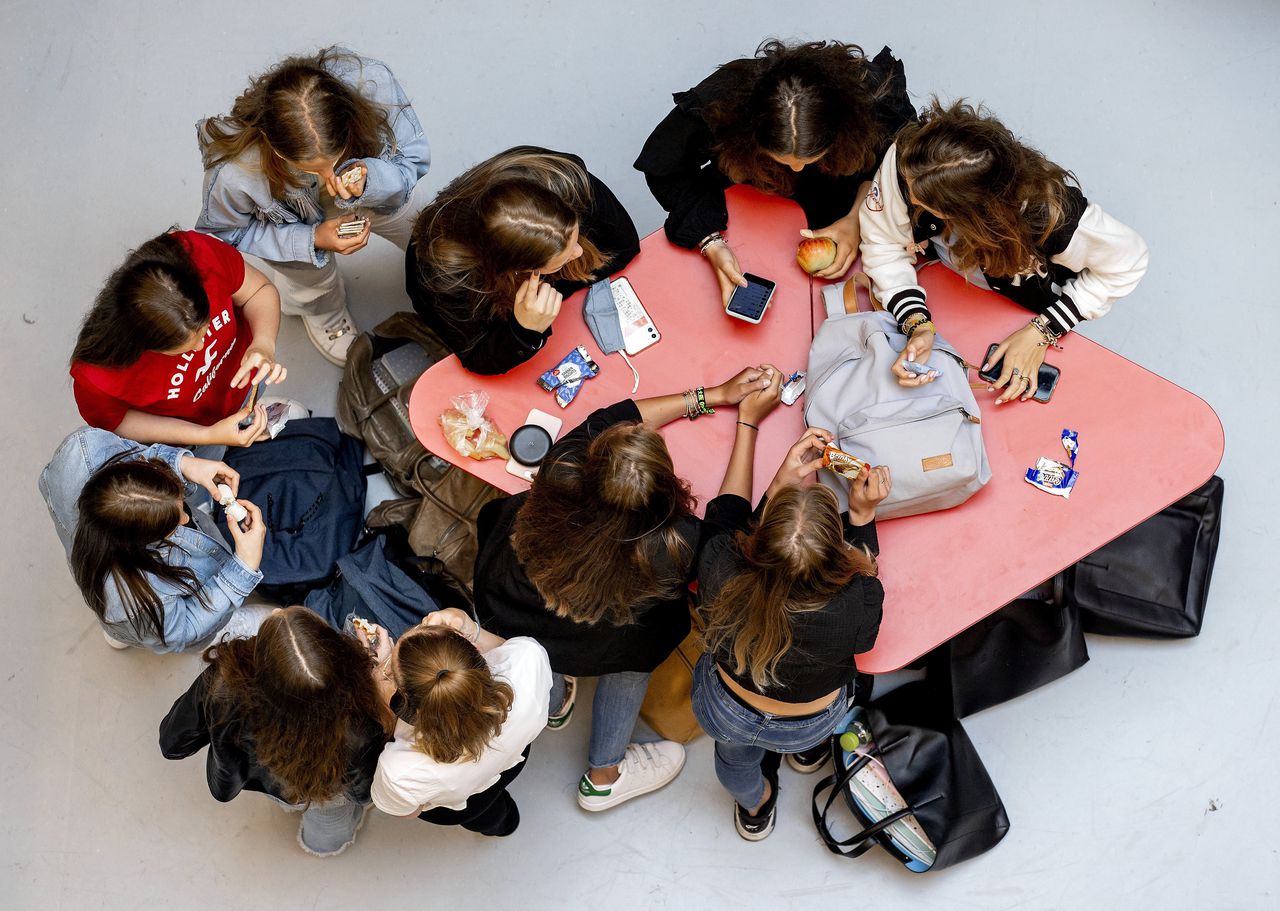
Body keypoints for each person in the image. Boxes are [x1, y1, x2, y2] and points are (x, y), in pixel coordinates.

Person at [474, 367, 774, 811]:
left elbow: (617, 415)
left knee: (536, 656)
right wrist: (746, 421)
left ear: (591, 463)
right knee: (629, 666)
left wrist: (712, 394)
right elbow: (728, 521)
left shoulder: (562, 468)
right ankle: (604, 776)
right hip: (610, 642)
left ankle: (551, 704)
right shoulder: (677, 543)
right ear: (668, 496)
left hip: (512, 605)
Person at [859, 99, 1150, 403]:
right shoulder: (912, 161)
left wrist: (1042, 332)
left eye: (924, 203)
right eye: (909, 188)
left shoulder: (1051, 217)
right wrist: (917, 322)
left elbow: (1130, 260)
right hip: (948, 287)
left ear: (975, 216)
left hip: (1019, 301)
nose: (911, 201)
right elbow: (883, 242)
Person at [693, 411, 890, 841]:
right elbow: (868, 609)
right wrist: (861, 517)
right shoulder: (856, 601)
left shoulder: (719, 570)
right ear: (839, 558)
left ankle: (755, 807)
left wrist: (782, 479)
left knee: (733, 762)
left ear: (757, 544)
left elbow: (729, 527)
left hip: (727, 707)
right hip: (808, 720)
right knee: (817, 724)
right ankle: (804, 755)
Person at [197, 47, 432, 365]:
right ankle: (324, 314)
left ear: (349, 121)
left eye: (336, 160)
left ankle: (444, 273)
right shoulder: (233, 171)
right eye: (311, 169)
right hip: (294, 225)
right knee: (312, 281)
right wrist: (312, 240)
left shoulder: (374, 85)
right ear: (273, 145)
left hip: (378, 192)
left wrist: (371, 178)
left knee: (428, 226)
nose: (331, 178)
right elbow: (227, 233)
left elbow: (413, 159)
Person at [635, 39, 914, 307]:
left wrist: (857, 218)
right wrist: (710, 242)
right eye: (783, 159)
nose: (796, 169)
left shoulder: (874, 101)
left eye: (810, 159)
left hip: (840, 206)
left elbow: (894, 168)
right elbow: (666, 170)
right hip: (747, 205)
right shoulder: (722, 102)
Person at [159, 607, 393, 856]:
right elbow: (362, 793)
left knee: (284, 797)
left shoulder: (224, 681)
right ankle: (321, 848)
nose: (277, 610)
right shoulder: (361, 726)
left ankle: (288, 806)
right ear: (339, 656)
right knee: (329, 823)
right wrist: (382, 674)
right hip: (323, 788)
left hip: (266, 781)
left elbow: (172, 744)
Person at [406, 146, 640, 374]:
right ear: (517, 269)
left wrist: (556, 289)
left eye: (576, 236)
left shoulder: (562, 179)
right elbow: (478, 357)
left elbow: (624, 246)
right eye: (562, 260)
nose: (579, 252)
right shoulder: (445, 280)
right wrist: (525, 330)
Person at [38, 427, 270, 653]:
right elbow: (185, 628)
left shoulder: (84, 449)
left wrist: (182, 465)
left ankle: (126, 631)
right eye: (171, 526)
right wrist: (243, 568)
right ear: (136, 543)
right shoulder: (136, 600)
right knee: (147, 623)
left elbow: (135, 453)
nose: (187, 518)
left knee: (134, 623)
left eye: (178, 501)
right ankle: (147, 630)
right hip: (138, 609)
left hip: (125, 603)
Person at [70, 230, 289, 449]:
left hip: (247, 379)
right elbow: (118, 421)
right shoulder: (97, 375)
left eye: (205, 330)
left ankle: (257, 413)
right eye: (187, 348)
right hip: (190, 432)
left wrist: (263, 343)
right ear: (142, 345)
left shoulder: (199, 256)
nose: (204, 346)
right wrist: (208, 436)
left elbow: (258, 290)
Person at [367, 608, 552, 837]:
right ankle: (507, 824)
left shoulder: (399, 772)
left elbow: (407, 811)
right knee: (497, 803)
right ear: (474, 649)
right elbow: (506, 650)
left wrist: (381, 695)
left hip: (459, 806)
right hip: (513, 759)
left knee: (484, 816)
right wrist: (467, 623)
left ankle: (499, 825)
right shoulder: (528, 661)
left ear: (403, 705)